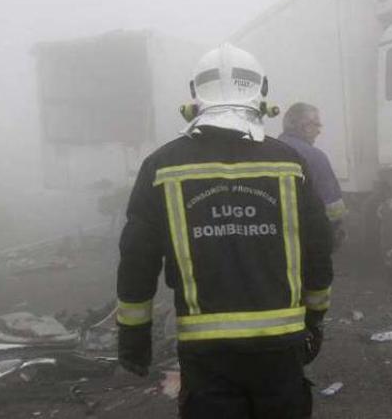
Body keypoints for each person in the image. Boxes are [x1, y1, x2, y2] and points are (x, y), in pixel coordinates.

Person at [116, 44, 333, 419]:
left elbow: (137, 259)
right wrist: (315, 318)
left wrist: (134, 336)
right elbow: (317, 248)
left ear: (194, 92)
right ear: (261, 90)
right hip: (281, 348)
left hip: (205, 352)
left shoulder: (162, 165)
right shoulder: (288, 162)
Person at [278, 103, 348, 239]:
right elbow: (333, 208)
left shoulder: (267, 153)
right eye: (316, 125)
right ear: (304, 126)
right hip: (308, 238)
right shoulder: (315, 157)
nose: (318, 131)